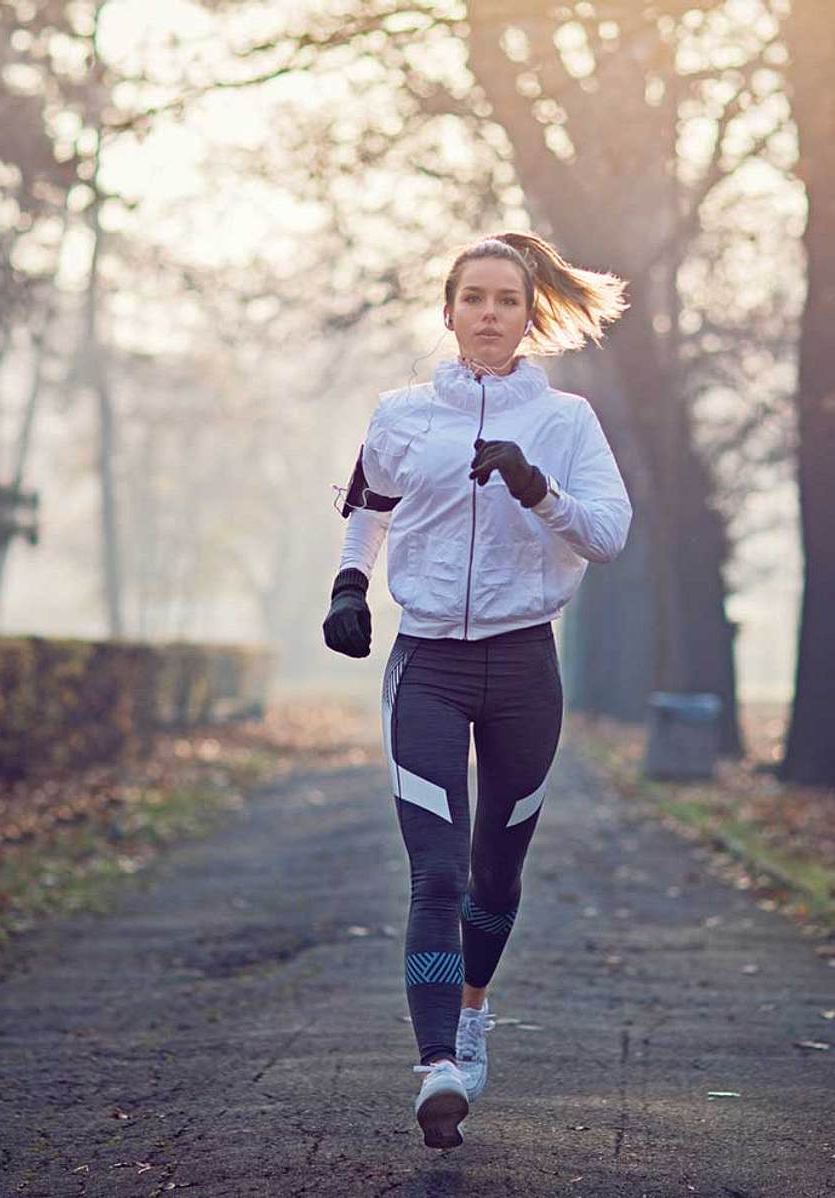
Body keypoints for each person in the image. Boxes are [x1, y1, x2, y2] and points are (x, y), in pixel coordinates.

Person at [322, 232, 632, 1150]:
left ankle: (472, 1013)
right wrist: (348, 587)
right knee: (438, 869)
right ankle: (436, 1068)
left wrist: (536, 488)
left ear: (530, 314)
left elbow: (608, 535)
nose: (489, 313)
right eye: (473, 298)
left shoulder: (567, 421)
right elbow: (367, 506)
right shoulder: (401, 414)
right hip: (428, 665)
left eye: (506, 299)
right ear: (448, 312)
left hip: (524, 668)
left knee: (496, 874)